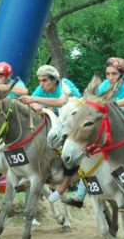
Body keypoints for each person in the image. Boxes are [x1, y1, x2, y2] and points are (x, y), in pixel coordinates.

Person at [62, 57, 124, 210]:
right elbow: (93, 101)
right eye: (107, 74)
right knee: (91, 152)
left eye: (114, 74)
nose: (110, 77)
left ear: (122, 74)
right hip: (117, 129)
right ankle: (81, 195)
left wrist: (113, 105)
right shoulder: (105, 85)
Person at [20, 65, 81, 203]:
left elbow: (61, 102)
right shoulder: (41, 88)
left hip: (76, 123)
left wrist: (34, 100)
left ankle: (63, 187)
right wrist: (35, 105)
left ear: (55, 80)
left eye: (44, 80)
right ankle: (35, 171)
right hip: (57, 123)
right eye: (40, 81)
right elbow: (31, 102)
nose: (41, 84)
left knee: (69, 148)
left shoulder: (65, 84)